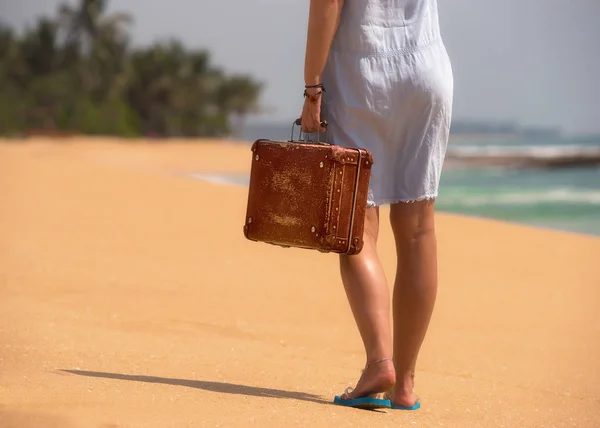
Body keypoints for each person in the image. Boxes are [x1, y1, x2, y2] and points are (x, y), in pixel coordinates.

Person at [300, 0, 454, 411]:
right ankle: (404, 384)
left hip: (360, 71)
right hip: (426, 66)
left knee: (356, 225)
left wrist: (312, 86)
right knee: (419, 229)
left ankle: (378, 362)